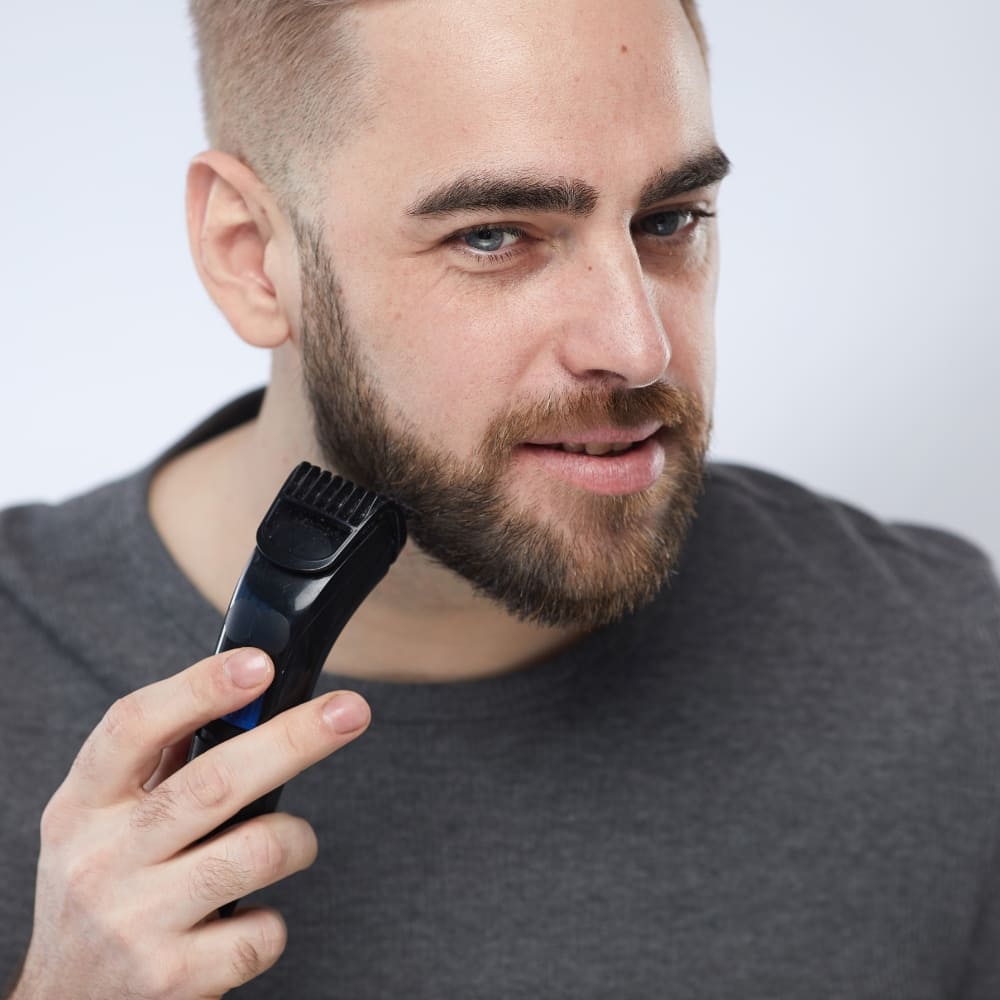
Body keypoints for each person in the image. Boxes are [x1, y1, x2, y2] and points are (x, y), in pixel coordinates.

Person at [1, 0, 998, 997]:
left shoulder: (948, 664)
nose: (636, 345)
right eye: (493, 236)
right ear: (251, 254)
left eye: (669, 219)